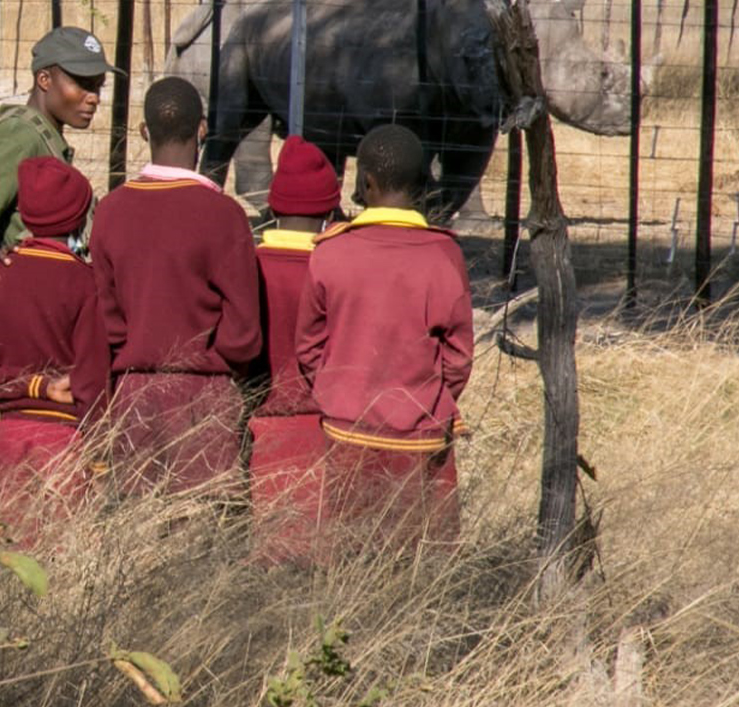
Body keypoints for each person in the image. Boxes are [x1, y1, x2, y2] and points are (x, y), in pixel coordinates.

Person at [294, 124, 472, 556]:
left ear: (366, 182)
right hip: (421, 438)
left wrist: (338, 391)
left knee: (348, 561)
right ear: (421, 184)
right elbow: (459, 355)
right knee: (420, 564)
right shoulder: (443, 254)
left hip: (346, 433)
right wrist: (428, 399)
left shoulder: (331, 251)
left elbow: (308, 346)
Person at [90, 76, 262, 497]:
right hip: (205, 396)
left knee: (139, 529)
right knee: (201, 535)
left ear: (144, 131)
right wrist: (218, 360)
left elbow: (106, 319)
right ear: (202, 129)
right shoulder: (224, 215)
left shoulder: (111, 211)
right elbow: (244, 332)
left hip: (132, 394)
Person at [0, 157, 110, 548]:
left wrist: (34, 386)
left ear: (24, 212)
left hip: (11, 433)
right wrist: (101, 456)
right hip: (67, 435)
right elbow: (93, 381)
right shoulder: (84, 281)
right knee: (66, 547)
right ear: (78, 220)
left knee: (18, 547)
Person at [0, 26, 120, 292]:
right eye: (83, 84)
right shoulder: (18, 137)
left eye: (98, 86)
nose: (94, 98)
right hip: (26, 314)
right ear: (44, 79)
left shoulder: (46, 138)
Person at [247, 137, 341, 564]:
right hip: (325, 436)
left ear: (274, 207)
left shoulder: (250, 265)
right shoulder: (338, 270)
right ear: (329, 212)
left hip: (257, 432)